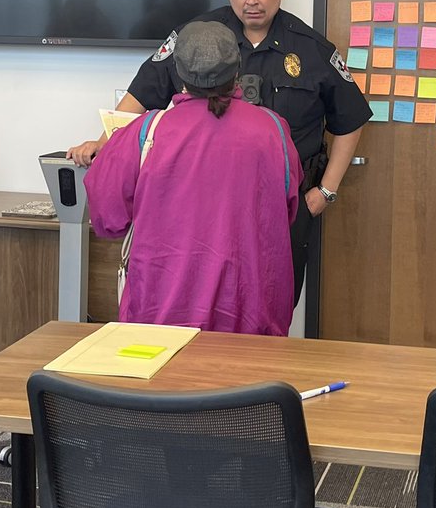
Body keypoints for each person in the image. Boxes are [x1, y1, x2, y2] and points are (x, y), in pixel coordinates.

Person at [69, 0, 370, 304]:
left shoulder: (311, 49)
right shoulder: (198, 37)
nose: (252, 1)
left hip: (281, 203)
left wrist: (325, 192)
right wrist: (104, 143)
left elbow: (349, 119)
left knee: (270, 302)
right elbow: (143, 93)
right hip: (206, 201)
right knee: (200, 301)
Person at [85, 20, 303, 335]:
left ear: (179, 70)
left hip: (158, 320)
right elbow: (287, 211)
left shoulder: (145, 132)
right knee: (251, 385)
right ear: (236, 69)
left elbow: (107, 220)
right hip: (252, 320)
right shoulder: (274, 130)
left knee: (160, 385)